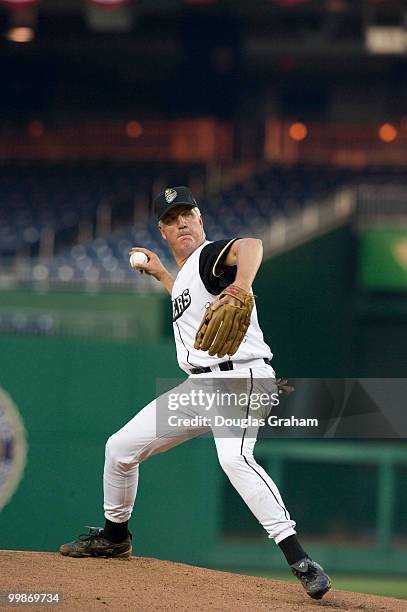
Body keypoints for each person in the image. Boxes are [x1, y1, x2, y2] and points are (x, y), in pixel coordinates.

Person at [60, 186, 331, 601]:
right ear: (162, 231)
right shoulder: (188, 276)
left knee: (234, 458)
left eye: (187, 214)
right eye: (171, 219)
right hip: (200, 386)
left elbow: (252, 245)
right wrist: (163, 277)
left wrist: (241, 285)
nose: (181, 222)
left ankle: (299, 559)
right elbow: (194, 310)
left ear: (200, 219)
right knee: (119, 448)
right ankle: (115, 537)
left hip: (240, 378)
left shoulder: (209, 256)